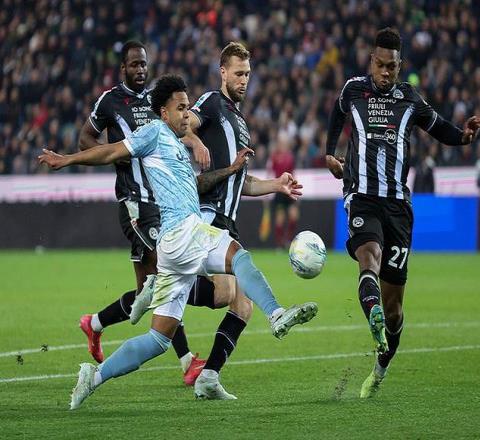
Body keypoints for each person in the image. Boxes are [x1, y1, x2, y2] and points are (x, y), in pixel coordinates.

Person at [39, 74, 318, 410]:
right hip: (184, 231)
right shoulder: (154, 132)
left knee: (158, 339)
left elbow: (197, 186)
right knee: (237, 255)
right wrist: (66, 159)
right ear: (163, 112)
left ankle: (94, 376)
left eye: (188, 108)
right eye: (181, 108)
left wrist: (232, 170)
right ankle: (276, 314)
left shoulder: (174, 145)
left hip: (173, 246)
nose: (187, 114)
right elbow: (110, 151)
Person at [131, 42, 305, 400]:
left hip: (230, 216)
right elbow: (181, 125)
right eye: (238, 73)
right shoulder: (211, 102)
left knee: (242, 305)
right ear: (223, 72)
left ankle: (209, 376)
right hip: (209, 213)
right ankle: (160, 285)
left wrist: (277, 185)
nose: (244, 80)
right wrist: (194, 141)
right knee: (226, 293)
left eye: (247, 74)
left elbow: (242, 182)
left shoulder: (240, 123)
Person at [325, 28, 480, 398]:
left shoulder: (409, 98)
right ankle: (373, 315)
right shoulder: (353, 90)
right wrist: (330, 152)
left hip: (398, 207)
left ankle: (380, 367)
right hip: (362, 197)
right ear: (371, 61)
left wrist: (464, 136)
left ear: (400, 66)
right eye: (380, 65)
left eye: (392, 67)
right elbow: (336, 114)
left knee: (395, 309)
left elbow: (439, 128)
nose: (385, 72)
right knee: (369, 257)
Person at [77, 40, 211, 385]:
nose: (140, 70)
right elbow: (85, 139)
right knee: (164, 271)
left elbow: (179, 130)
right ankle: (187, 360)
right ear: (123, 67)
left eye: (144, 65)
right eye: (134, 64)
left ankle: (94, 323)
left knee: (146, 291)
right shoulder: (110, 101)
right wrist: (117, 155)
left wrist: (195, 141)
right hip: (134, 202)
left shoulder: (156, 103)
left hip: (162, 203)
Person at [269, 136, 299, 248]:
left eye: (284, 143)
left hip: (289, 189)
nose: (283, 145)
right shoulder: (274, 157)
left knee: (294, 216)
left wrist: (295, 187)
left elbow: (293, 173)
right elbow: (270, 173)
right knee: (280, 218)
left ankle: (289, 239)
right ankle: (279, 243)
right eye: (281, 143)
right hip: (280, 190)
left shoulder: (290, 157)